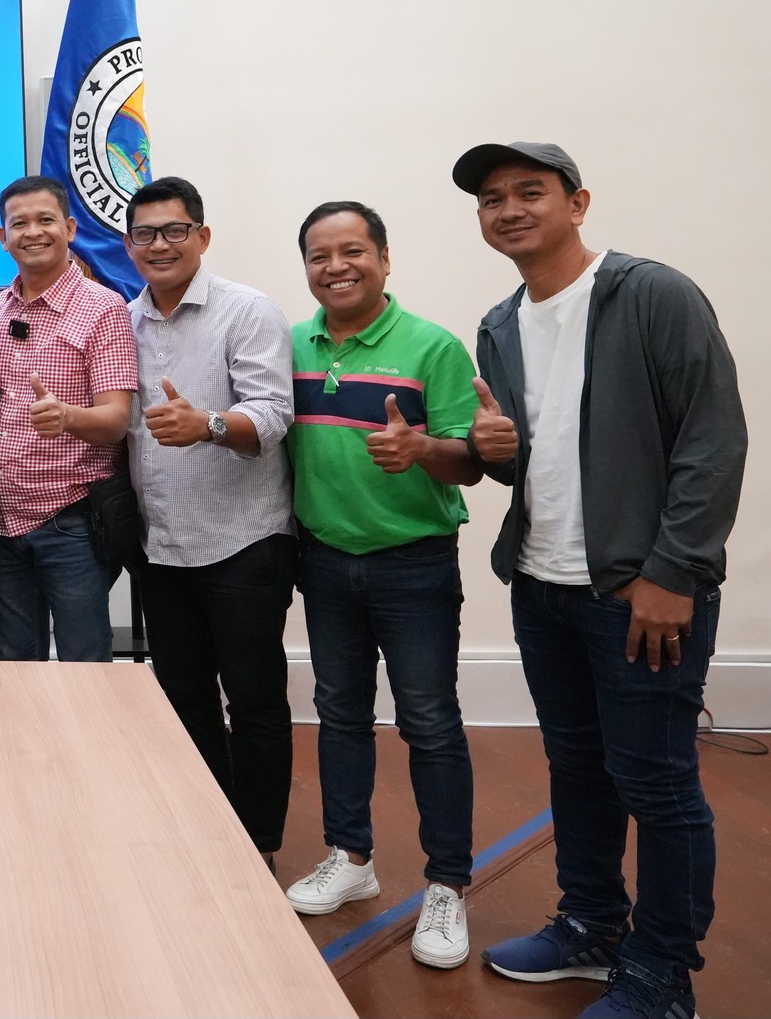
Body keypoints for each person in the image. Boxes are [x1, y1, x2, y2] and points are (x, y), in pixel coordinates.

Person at [455, 143, 744, 1019]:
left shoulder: (652, 293)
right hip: (542, 585)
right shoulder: (500, 323)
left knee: (655, 781)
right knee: (577, 766)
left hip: (640, 590)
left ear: (577, 202)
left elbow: (712, 439)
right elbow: (537, 464)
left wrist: (674, 571)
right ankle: (591, 924)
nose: (508, 209)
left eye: (529, 192)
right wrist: (491, 454)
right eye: (492, 198)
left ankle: (662, 973)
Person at [279, 202, 480, 970]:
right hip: (324, 560)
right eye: (319, 254)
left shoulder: (433, 346)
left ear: (385, 258)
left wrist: (421, 445)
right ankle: (352, 855)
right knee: (339, 713)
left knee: (429, 721)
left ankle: (447, 884)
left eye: (353, 250)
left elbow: (469, 461)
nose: (336, 265)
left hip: (414, 563)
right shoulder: (291, 344)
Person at [121, 177, 297, 864]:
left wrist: (210, 424)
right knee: (182, 696)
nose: (159, 245)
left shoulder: (248, 312)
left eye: (174, 230)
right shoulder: (123, 320)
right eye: (145, 234)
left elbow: (274, 416)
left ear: (202, 235)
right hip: (160, 543)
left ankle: (258, 843)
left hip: (243, 540)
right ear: (129, 244)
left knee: (253, 700)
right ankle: (207, 827)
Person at [0, 176, 138, 662]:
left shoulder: (103, 307)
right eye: (19, 223)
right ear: (3, 238)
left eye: (46, 220)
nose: (33, 232)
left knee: (84, 664)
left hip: (71, 521)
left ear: (69, 228)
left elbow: (116, 419)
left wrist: (67, 416)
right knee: (13, 662)